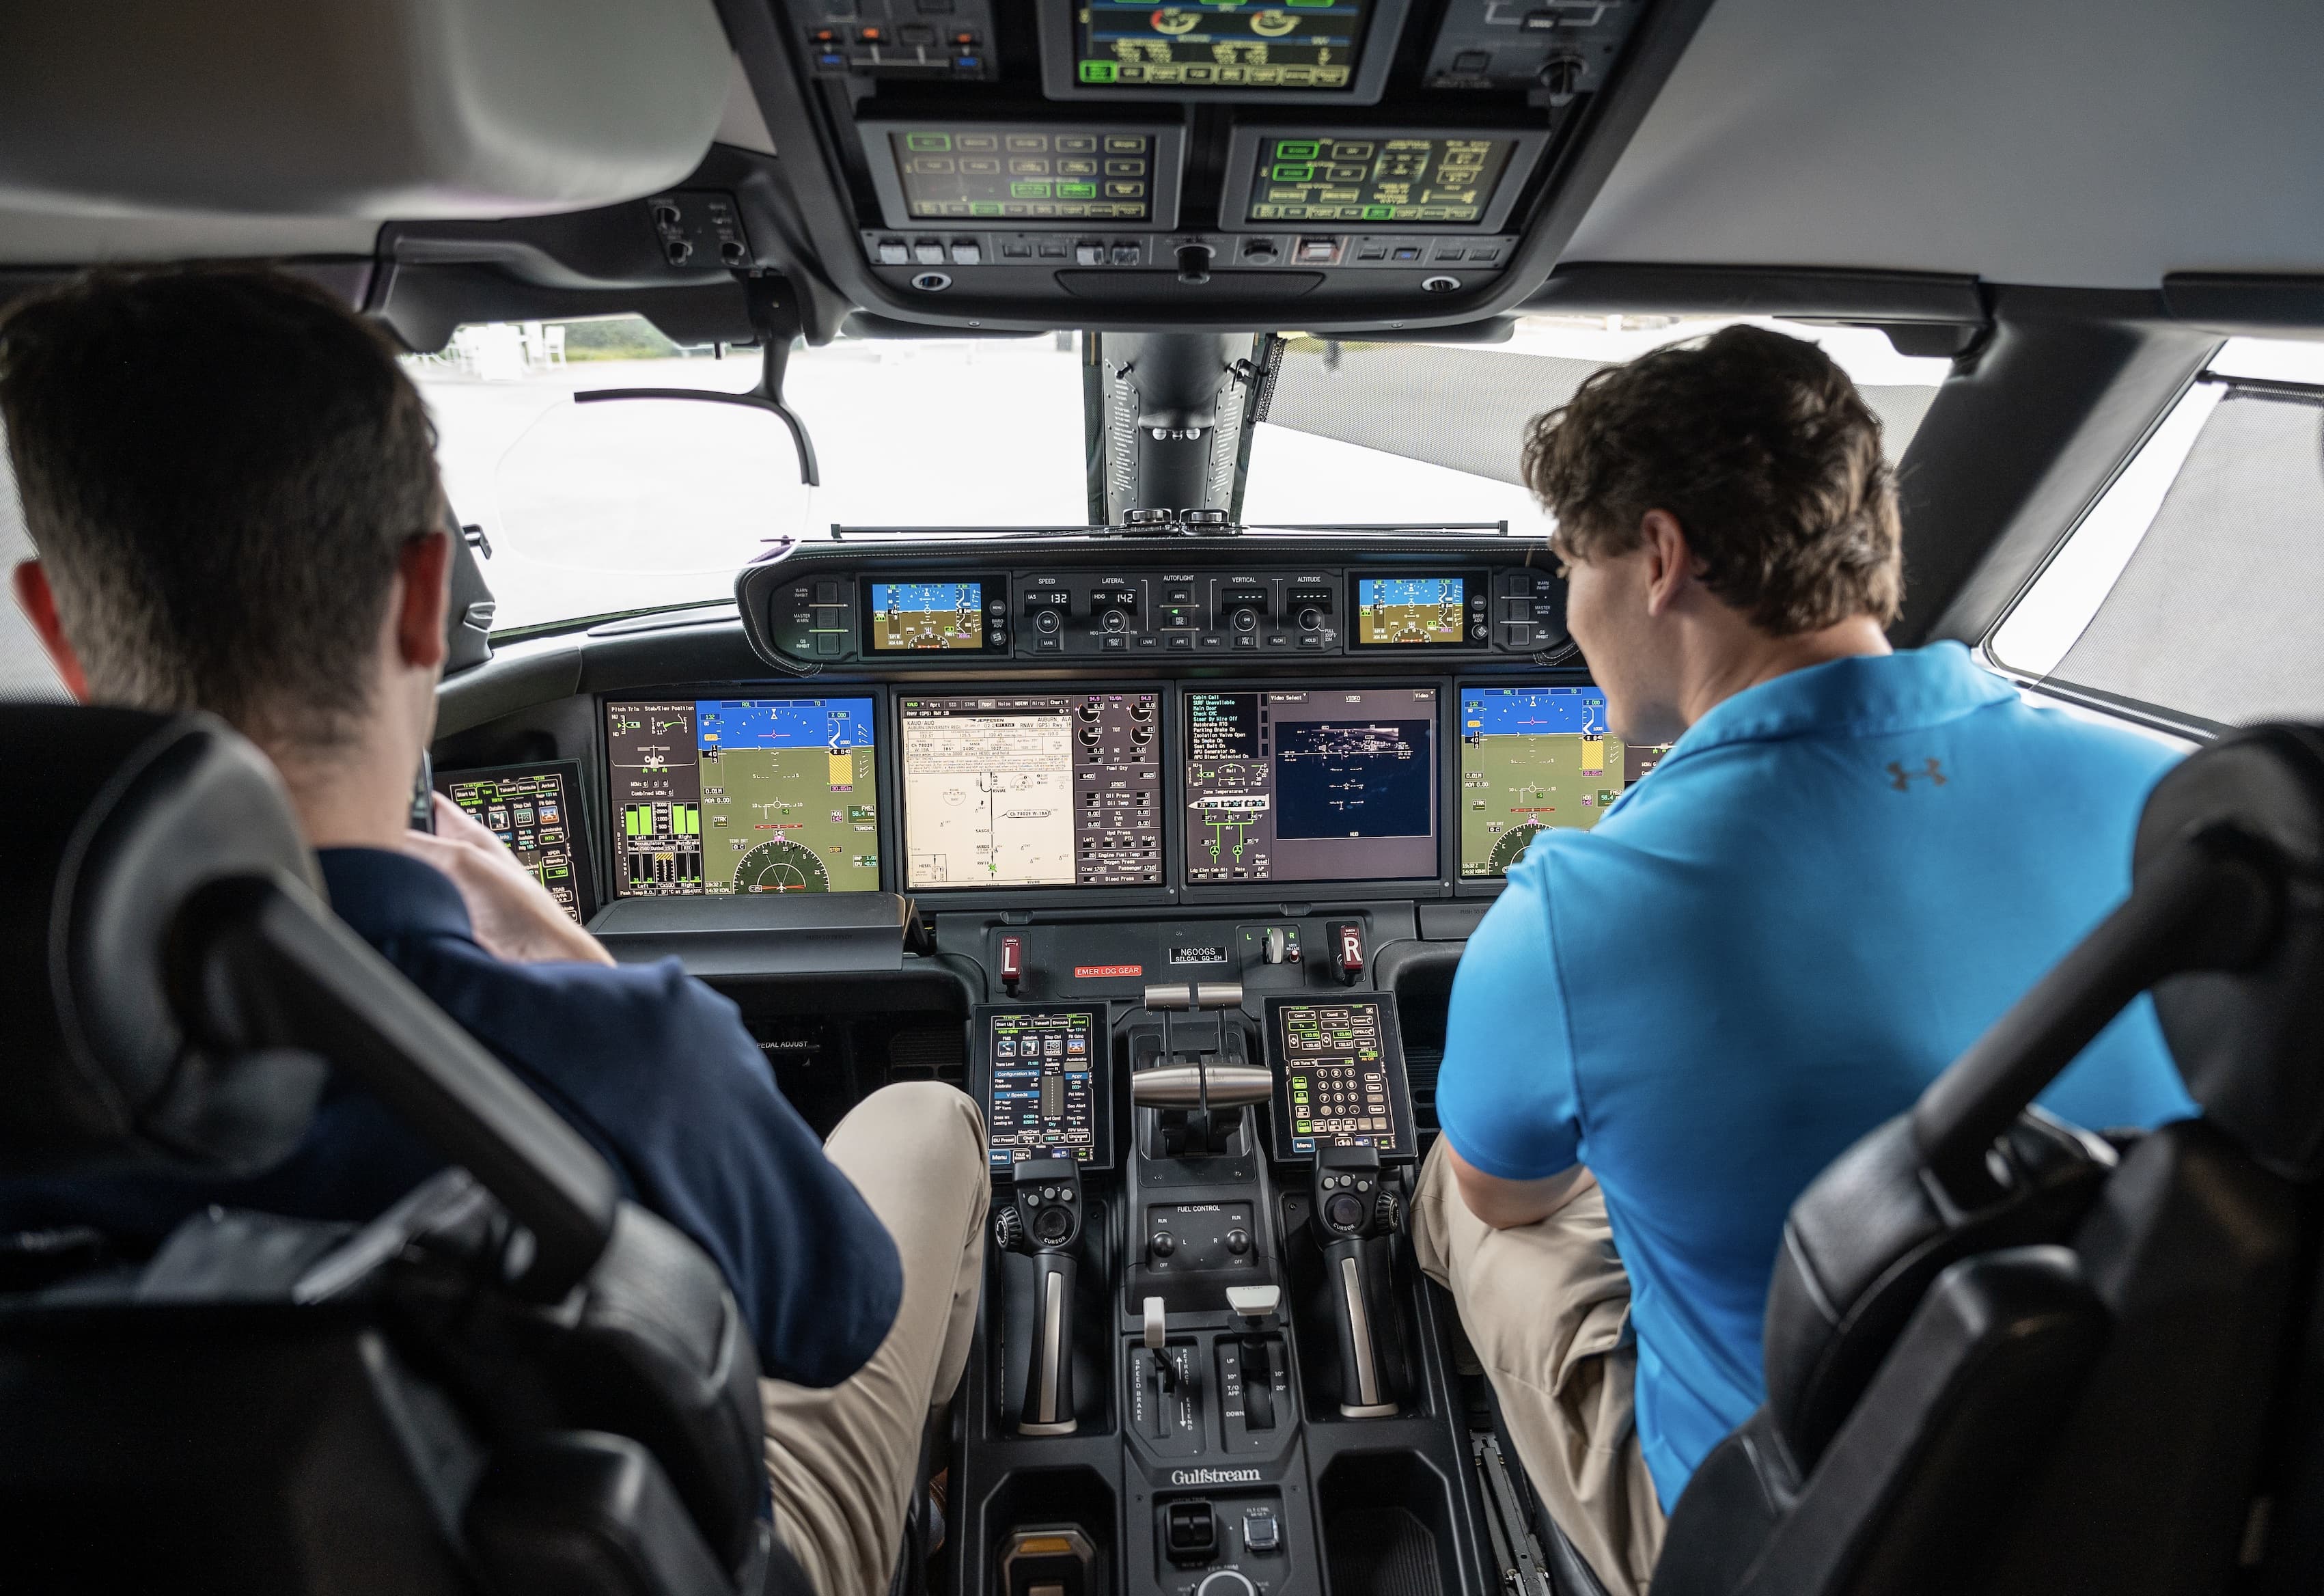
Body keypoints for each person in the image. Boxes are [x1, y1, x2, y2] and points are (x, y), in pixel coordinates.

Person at [0, 266, 983, 1596]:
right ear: (425, 594)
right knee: (923, 1118)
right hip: (669, 1556)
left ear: (57, 628)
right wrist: (581, 966)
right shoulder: (627, 1052)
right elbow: (842, 1313)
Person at [1415, 326, 2197, 1595]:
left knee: (1458, 1193)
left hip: (1791, 1540)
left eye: (1571, 561)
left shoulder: (1580, 909)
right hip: (2139, 1502)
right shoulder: (2175, 818)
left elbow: (1510, 1198)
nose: (1570, 608)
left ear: (1658, 558)